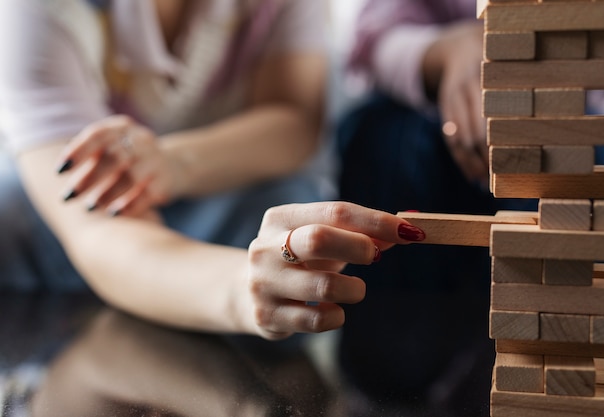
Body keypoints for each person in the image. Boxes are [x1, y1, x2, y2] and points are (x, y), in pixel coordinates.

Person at [0, 0, 428, 339]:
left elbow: (294, 119)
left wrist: (173, 162)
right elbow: (100, 232)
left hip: (206, 219)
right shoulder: (37, 12)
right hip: (64, 250)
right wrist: (243, 291)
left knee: (285, 201)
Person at [336, 0, 604, 414]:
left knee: (581, 179)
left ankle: (540, 376)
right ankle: (393, 387)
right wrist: (452, 50)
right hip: (435, 118)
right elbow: (377, 35)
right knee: (383, 137)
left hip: (597, 126)